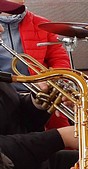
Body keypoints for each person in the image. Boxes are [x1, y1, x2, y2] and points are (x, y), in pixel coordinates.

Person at [0, 0, 71, 129]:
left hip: (38, 97)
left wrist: (53, 85)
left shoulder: (43, 24)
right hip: (5, 102)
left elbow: (59, 60)